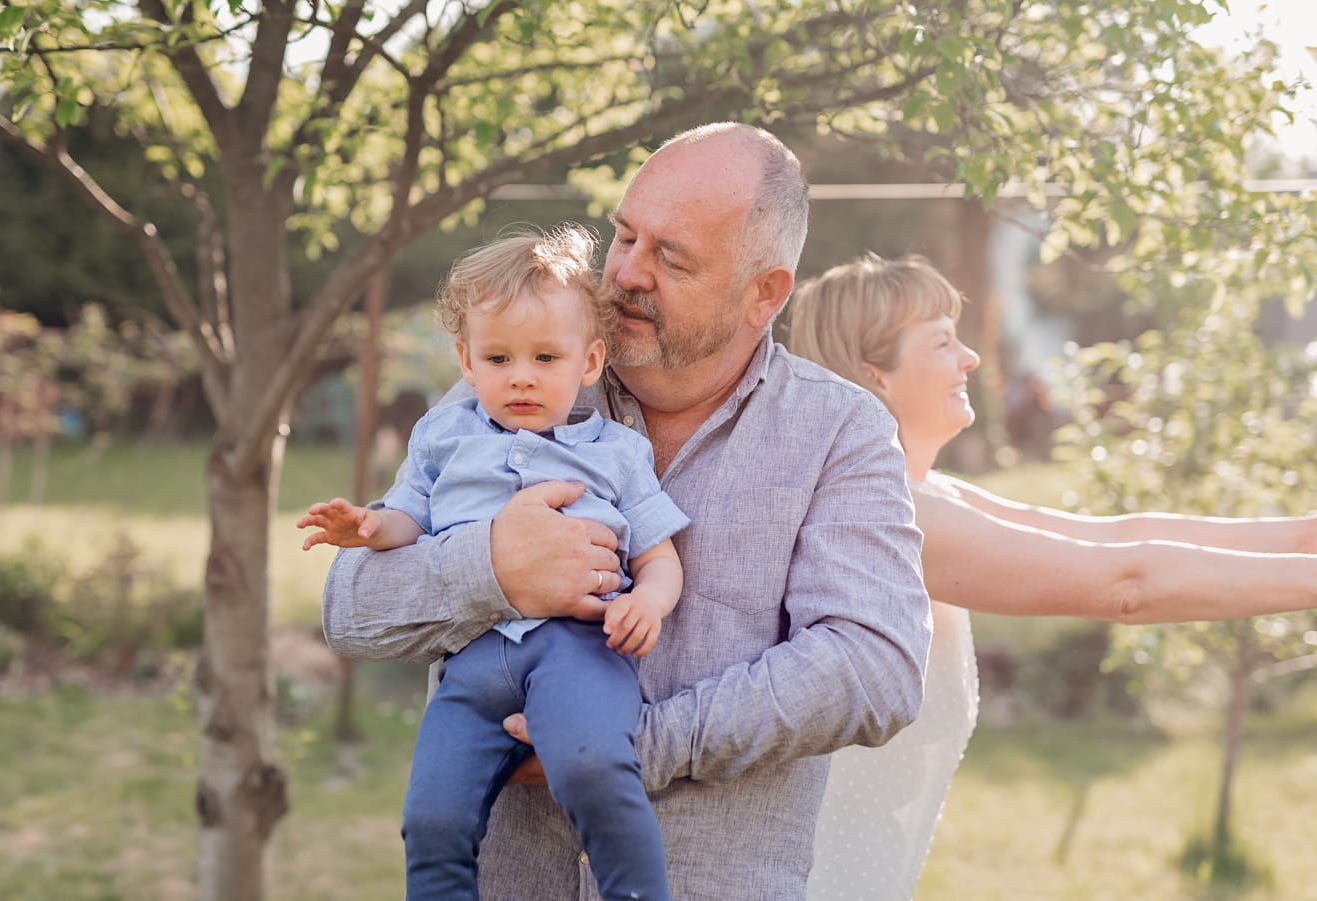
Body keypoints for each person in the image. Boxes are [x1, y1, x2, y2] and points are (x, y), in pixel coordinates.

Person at [322, 123, 935, 899]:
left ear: (765, 292)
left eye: (670, 256)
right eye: (623, 236)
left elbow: (872, 664)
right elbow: (351, 607)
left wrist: (622, 745)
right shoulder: (516, 383)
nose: (626, 274)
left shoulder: (839, 432)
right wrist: (491, 568)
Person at [787, 252, 1317, 900]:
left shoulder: (923, 492)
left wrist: (1299, 536)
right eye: (943, 341)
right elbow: (1125, 585)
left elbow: (1109, 536)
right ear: (875, 373)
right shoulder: (887, 514)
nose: (972, 359)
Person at [298, 224, 690, 900]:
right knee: (431, 816)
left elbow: (660, 555)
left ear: (589, 361)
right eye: (499, 358)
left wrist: (647, 601)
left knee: (594, 768)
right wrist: (367, 526)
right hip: (474, 662)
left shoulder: (616, 452)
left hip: (582, 652)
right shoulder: (442, 437)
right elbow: (407, 520)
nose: (522, 377)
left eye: (545, 357)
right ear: (467, 361)